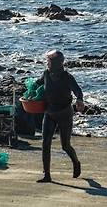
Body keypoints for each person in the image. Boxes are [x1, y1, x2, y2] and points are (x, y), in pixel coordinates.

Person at [35, 50, 85, 183]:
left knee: (65, 145)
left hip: (64, 113)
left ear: (56, 63)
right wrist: (29, 89)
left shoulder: (67, 77)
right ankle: (47, 175)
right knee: (45, 143)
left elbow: (78, 91)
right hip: (49, 112)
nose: (47, 63)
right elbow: (37, 84)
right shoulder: (46, 74)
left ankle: (76, 162)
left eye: (49, 62)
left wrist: (79, 100)